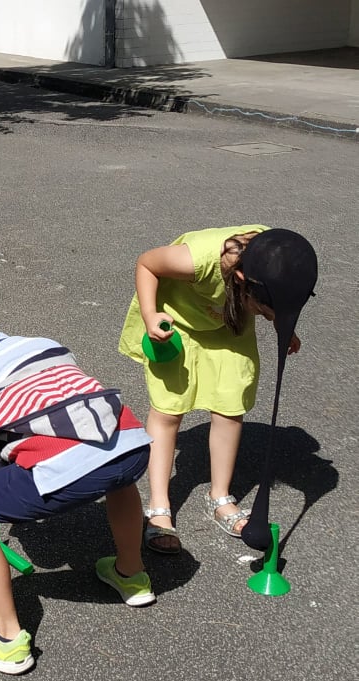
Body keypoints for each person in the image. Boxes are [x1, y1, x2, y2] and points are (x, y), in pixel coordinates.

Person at [0, 280, 155, 676]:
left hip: (69, 466)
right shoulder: (44, 343)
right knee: (114, 473)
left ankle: (5, 639)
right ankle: (131, 573)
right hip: (131, 444)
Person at [118, 226, 301, 555]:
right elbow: (146, 263)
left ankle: (220, 497)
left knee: (231, 406)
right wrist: (149, 315)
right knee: (169, 409)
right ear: (244, 280)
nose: (267, 315)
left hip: (229, 326)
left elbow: (280, 298)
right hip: (176, 324)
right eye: (264, 310)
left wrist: (284, 326)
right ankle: (159, 507)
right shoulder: (199, 259)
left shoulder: (282, 261)